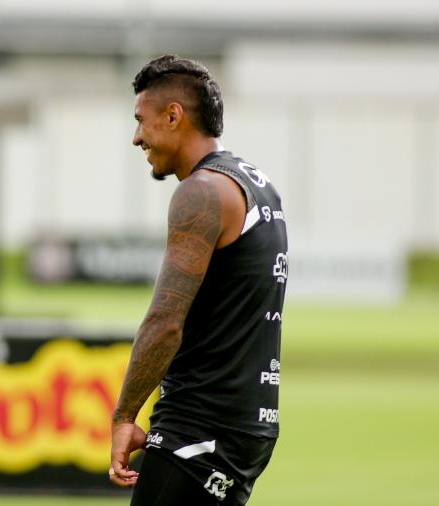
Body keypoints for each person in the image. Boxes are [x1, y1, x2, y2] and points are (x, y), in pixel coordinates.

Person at [109, 55, 287, 505]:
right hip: (247, 425)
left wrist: (125, 415)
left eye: (141, 121)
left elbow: (165, 321)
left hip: (199, 430)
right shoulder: (257, 185)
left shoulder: (201, 192)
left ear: (174, 116)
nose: (136, 137)